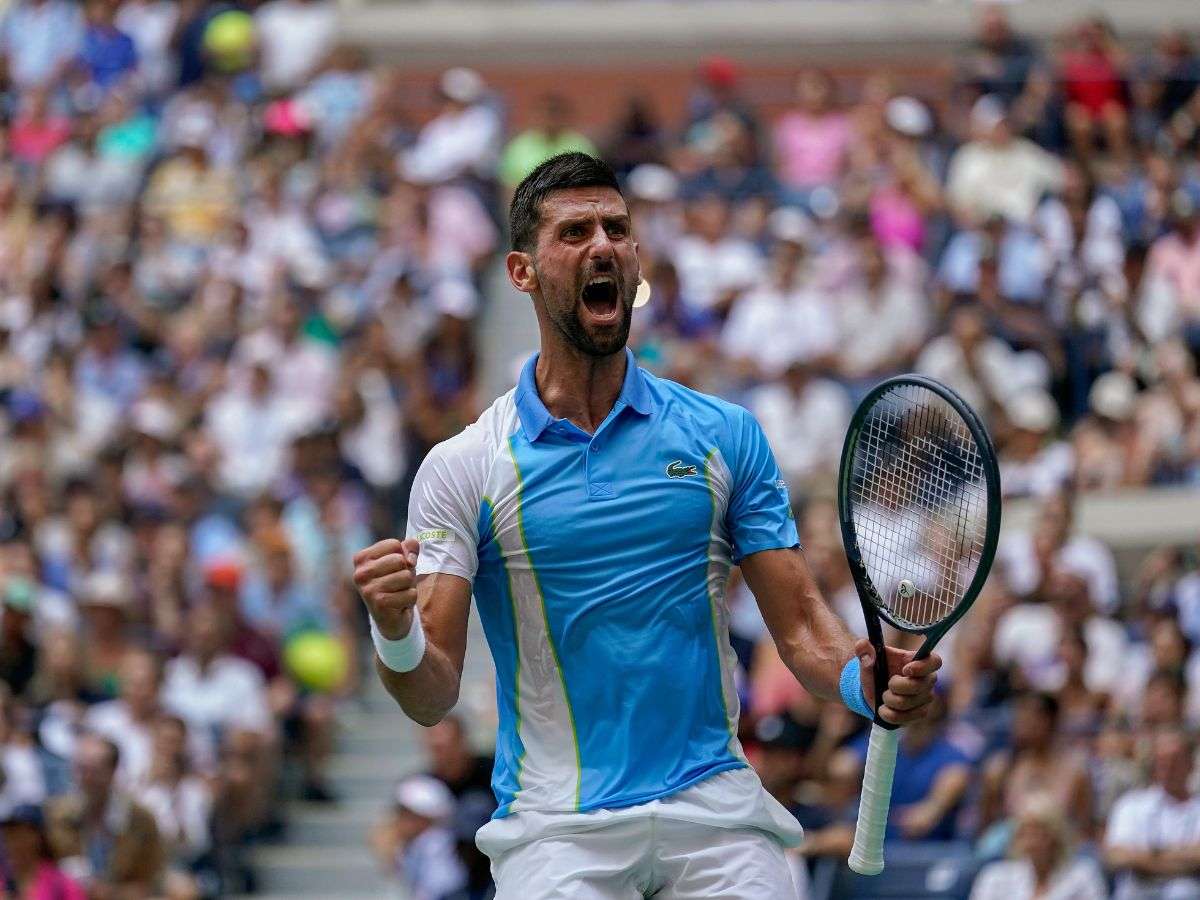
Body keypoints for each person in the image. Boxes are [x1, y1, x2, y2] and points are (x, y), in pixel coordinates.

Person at [352, 152, 941, 897]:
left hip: (716, 813)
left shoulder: (724, 435)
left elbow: (801, 631)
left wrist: (867, 680)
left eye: (617, 229)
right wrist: (393, 627)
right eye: (574, 233)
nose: (603, 245)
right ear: (522, 272)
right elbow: (430, 693)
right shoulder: (464, 466)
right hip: (559, 829)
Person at [45, 733, 163, 897]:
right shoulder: (55, 815)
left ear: (112, 770)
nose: (85, 779)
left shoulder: (140, 820)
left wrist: (109, 892)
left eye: (93, 771)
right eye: (80, 769)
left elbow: (152, 881)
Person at [1104, 729, 1200, 899]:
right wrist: (1182, 859)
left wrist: (1148, 858)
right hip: (1137, 893)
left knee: (1183, 891)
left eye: (1175, 760)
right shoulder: (1131, 805)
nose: (1169, 768)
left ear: (1191, 763)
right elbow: (1116, 856)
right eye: (1163, 761)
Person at [970, 793, 1108, 900]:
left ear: (1055, 835)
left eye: (1037, 831)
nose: (1029, 839)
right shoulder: (994, 877)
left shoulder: (1083, 875)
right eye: (1023, 830)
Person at [0, 804, 86, 900]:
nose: (12, 843)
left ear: (38, 837)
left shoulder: (60, 885)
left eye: (18, 835)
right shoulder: (3, 881)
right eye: (8, 835)